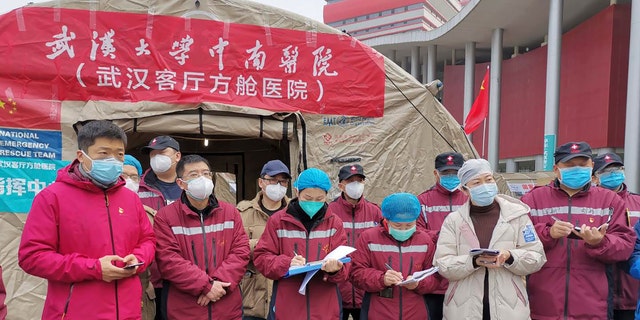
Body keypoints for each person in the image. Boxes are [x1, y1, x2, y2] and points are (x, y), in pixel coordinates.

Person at [18, 120, 156, 319]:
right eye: (104, 153)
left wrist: (138, 259)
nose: (113, 160)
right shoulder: (52, 197)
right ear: (82, 156)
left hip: (129, 312)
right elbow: (32, 257)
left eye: (119, 154)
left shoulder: (130, 198)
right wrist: (95, 268)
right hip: (76, 312)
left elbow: (148, 240)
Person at [521, 142, 635, 320]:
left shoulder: (609, 200)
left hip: (593, 307)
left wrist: (600, 242)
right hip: (543, 306)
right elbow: (518, 241)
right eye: (570, 165)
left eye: (583, 164)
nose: (577, 169)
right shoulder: (533, 199)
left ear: (591, 166)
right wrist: (547, 234)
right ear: (556, 169)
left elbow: (626, 246)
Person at [434, 158, 546, 319]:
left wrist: (509, 256)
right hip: (463, 309)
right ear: (465, 190)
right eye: (477, 182)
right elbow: (442, 264)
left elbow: (536, 257)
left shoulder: (517, 216)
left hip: (510, 307)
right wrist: (472, 261)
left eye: (488, 179)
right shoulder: (454, 221)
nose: (485, 186)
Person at [153, 154, 250, 320]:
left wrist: (216, 286)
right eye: (194, 175)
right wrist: (205, 285)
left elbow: (241, 251)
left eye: (206, 174)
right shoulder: (166, 217)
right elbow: (168, 260)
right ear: (180, 183)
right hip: (185, 310)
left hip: (227, 309)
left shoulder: (230, 212)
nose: (202, 179)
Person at [253, 168, 349, 320]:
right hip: (288, 307)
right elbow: (261, 258)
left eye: (319, 199)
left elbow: (346, 266)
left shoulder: (334, 223)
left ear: (326, 196)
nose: (313, 203)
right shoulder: (278, 221)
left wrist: (335, 269)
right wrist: (287, 263)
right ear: (297, 192)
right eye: (308, 197)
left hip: (325, 308)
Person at [350, 192, 439, 319]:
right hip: (378, 312)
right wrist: (381, 278)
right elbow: (355, 272)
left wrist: (418, 283)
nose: (403, 230)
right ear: (386, 220)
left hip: (415, 312)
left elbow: (435, 277)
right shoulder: (369, 238)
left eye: (409, 225)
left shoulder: (424, 240)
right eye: (397, 225)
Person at [237, 160, 292, 320]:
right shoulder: (243, 213)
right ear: (261, 182)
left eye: (283, 181)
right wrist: (266, 245)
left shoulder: (295, 211)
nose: (278, 185)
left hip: (287, 292)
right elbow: (234, 249)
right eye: (273, 180)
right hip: (253, 296)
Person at [416, 152, 467, 320]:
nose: (451, 177)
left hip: (464, 279)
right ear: (436, 174)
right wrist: (443, 236)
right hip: (434, 281)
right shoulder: (423, 201)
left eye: (455, 173)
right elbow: (417, 232)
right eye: (446, 173)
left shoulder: (470, 199)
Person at [327, 164, 382, 320]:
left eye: (359, 180)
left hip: (365, 289)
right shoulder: (329, 211)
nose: (356, 185)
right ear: (341, 185)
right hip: (337, 288)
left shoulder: (374, 211)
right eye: (351, 181)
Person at [592, 153, 640, 320]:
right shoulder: (590, 205)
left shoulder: (638, 202)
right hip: (597, 294)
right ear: (595, 178)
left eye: (616, 169)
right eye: (606, 171)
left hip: (632, 293)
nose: (613, 174)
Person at [138, 135, 182, 318]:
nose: (156, 158)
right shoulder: (138, 188)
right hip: (149, 278)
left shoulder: (189, 188)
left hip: (182, 277)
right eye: (153, 154)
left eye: (162, 153)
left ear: (177, 156)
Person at [123, 155, 157, 320]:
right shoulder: (97, 209)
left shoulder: (149, 215)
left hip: (142, 297)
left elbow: (154, 246)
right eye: (123, 176)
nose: (128, 181)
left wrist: (139, 257)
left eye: (134, 177)